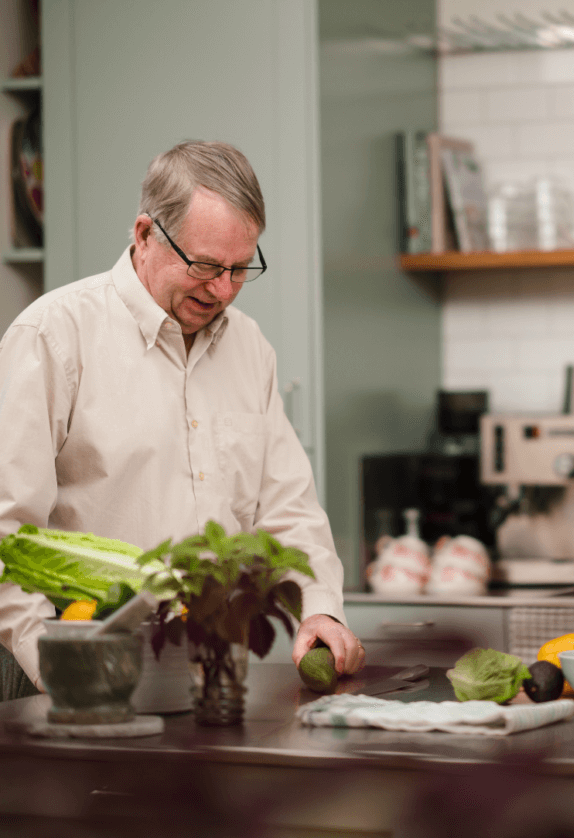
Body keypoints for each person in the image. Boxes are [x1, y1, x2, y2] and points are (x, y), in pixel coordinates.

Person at [0, 141, 365, 697]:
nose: (222, 290)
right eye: (205, 266)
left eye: (241, 269)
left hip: (211, 673)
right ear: (146, 234)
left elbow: (288, 509)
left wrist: (320, 610)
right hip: (68, 668)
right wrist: (58, 668)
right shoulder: (53, 336)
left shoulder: (249, 347)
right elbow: (7, 533)